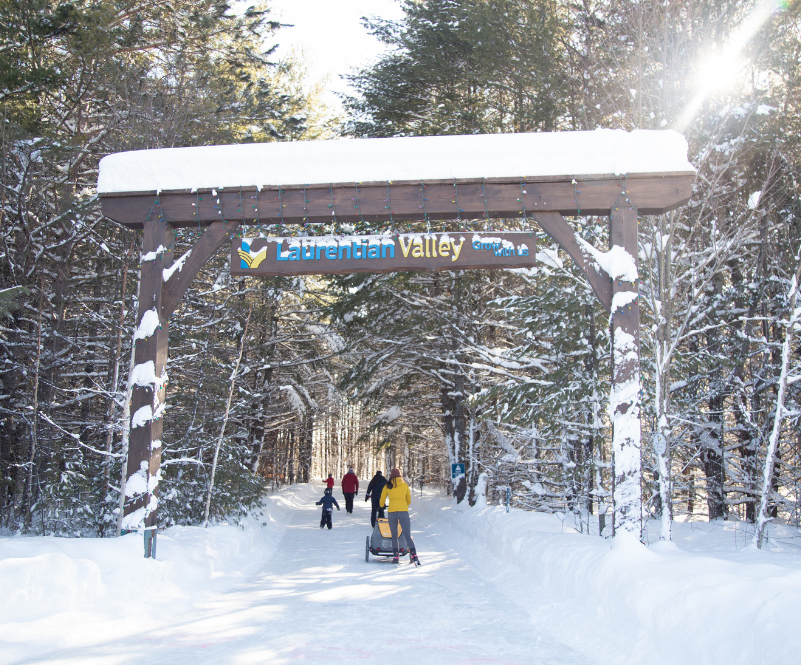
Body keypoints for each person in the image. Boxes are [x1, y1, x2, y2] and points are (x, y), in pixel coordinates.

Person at [379, 468, 419, 565]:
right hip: (403, 511)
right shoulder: (404, 485)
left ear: (391, 475)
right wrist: (404, 506)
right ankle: (414, 554)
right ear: (400, 475)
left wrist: (381, 506)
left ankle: (396, 556)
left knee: (394, 535)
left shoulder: (387, 485)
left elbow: (382, 499)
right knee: (407, 534)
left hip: (392, 511)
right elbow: (408, 500)